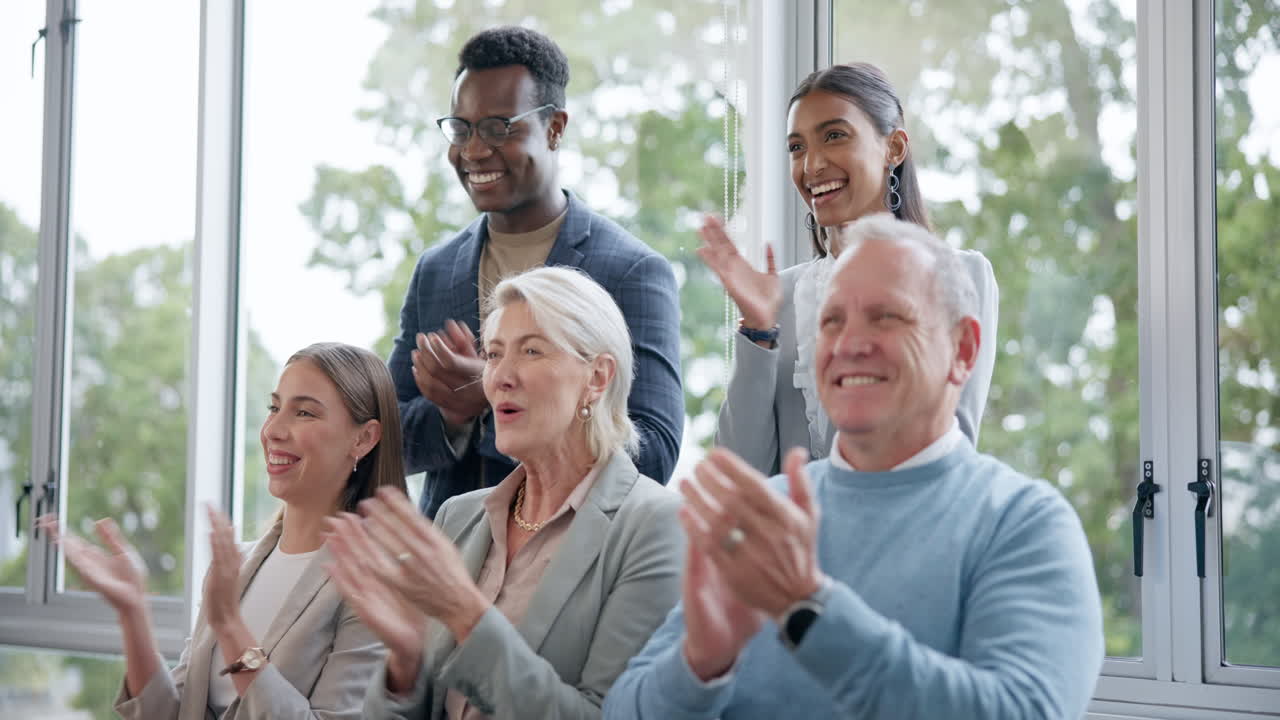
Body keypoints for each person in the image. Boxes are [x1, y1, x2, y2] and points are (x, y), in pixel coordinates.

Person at [604, 215, 1104, 720]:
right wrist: (700, 663)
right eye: (831, 321)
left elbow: (1022, 711)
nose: (849, 344)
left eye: (887, 316)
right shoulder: (766, 519)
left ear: (963, 349)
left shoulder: (1022, 522)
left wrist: (810, 610)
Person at [329, 267, 684, 719]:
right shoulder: (458, 516)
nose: (500, 377)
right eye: (494, 355)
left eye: (532, 350)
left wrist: (465, 616)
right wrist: (403, 664)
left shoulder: (657, 525)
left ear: (597, 377)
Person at [389, 25, 683, 518]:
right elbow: (387, 437)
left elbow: (653, 454)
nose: (474, 150)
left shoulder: (631, 271)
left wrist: (488, 397)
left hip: (576, 565)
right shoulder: (436, 272)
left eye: (499, 127)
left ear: (554, 128)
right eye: (461, 129)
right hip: (451, 566)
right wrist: (450, 417)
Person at [38, 342, 408, 720]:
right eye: (274, 408)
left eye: (304, 413)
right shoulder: (240, 564)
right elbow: (174, 714)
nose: (273, 430)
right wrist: (133, 612)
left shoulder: (378, 581)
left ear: (363, 438)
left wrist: (231, 628)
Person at [704, 62, 999, 474]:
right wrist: (758, 330)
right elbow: (741, 476)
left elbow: (951, 452)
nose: (811, 166)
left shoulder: (961, 276)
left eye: (834, 136)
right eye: (796, 147)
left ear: (894, 148)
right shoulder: (778, 295)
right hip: (793, 539)